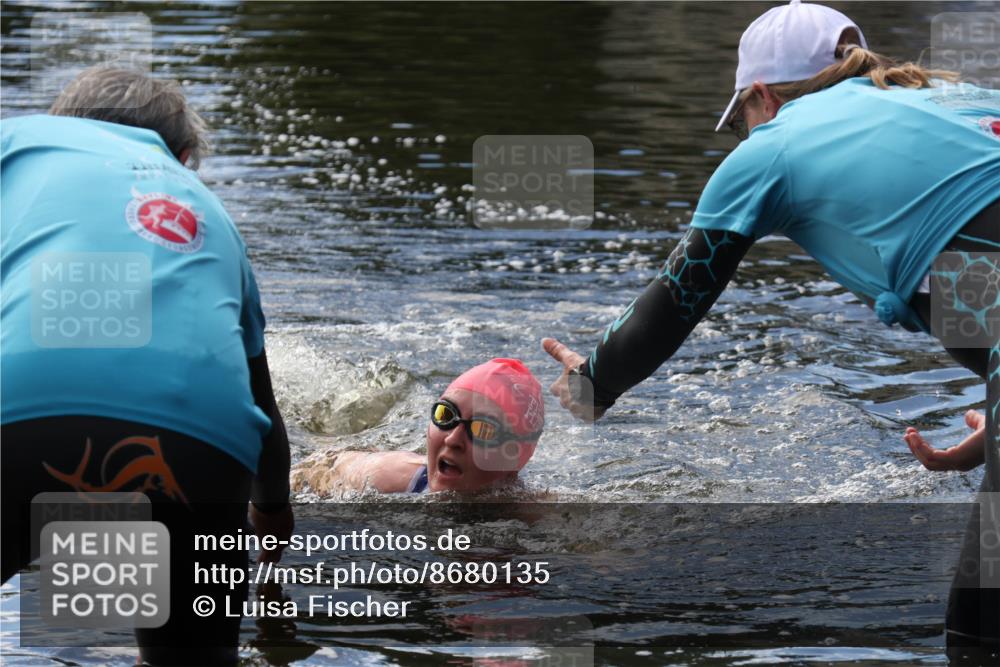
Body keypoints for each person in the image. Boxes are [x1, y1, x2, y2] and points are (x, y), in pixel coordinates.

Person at [540, 0, 998, 657]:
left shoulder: (777, 146)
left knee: (979, 633)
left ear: (760, 96)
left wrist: (590, 385)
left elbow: (678, 295)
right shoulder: (948, 98)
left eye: (743, 121)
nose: (744, 136)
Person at [1, 68, 293, 665]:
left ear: (61, 120)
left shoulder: (19, 144)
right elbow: (263, 408)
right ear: (183, 158)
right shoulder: (215, 216)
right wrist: (269, 513)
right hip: (199, 442)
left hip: (24, 408)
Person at [292, 358, 544, 495]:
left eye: (483, 429)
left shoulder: (540, 517)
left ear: (514, 458)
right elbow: (323, 464)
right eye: (447, 414)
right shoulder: (389, 476)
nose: (452, 439)